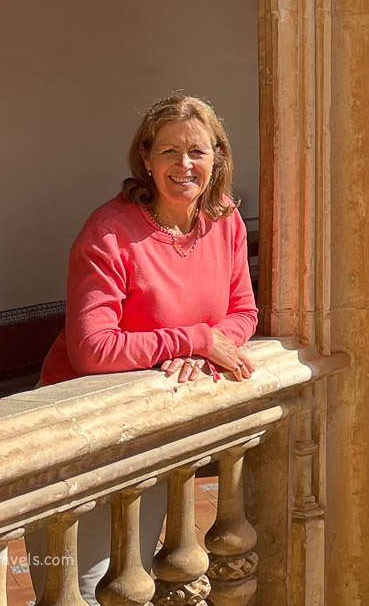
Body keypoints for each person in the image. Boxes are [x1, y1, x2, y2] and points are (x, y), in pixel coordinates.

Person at [28, 94, 258, 605]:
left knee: (131, 579)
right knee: (81, 588)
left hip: (153, 428)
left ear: (218, 157)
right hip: (81, 430)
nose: (184, 164)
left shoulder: (225, 221)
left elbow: (244, 311)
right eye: (169, 151)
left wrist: (205, 351)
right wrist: (196, 338)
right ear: (146, 158)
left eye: (197, 151)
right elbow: (92, 349)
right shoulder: (109, 232)